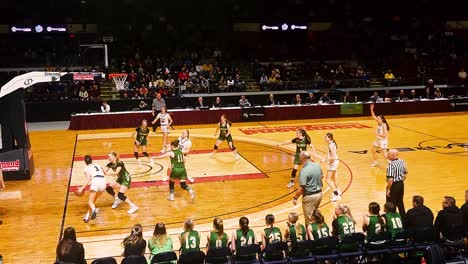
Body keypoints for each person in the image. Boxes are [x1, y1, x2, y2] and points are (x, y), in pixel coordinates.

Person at [292, 151, 323, 226]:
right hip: (319, 195)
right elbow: (322, 176)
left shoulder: (304, 170)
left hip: (310, 197)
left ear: (303, 158)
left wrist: (295, 198)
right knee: (315, 216)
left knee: (310, 222)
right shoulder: (317, 165)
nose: (299, 158)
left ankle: (312, 237)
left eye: (300, 157)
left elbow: (302, 188)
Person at [76, 155, 106, 223]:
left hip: (96, 181)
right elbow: (104, 172)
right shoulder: (98, 165)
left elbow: (88, 179)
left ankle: (94, 209)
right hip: (103, 182)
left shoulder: (86, 168)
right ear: (91, 160)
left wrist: (82, 188)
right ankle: (87, 216)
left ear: (85, 162)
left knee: (90, 202)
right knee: (92, 202)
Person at [386, 149, 408, 218]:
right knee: (400, 202)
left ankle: (392, 219)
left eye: (388, 154)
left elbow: (390, 179)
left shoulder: (391, 165)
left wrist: (389, 189)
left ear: (392, 156)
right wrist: (401, 181)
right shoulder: (402, 161)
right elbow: (406, 173)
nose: (387, 155)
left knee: (391, 204)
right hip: (401, 184)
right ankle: (404, 219)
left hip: (394, 185)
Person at [321, 133, 341, 201]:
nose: (325, 139)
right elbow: (331, 155)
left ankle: (336, 195)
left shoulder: (330, 145)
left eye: (326, 137)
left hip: (333, 163)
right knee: (333, 177)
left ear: (330, 138)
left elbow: (332, 157)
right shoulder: (332, 144)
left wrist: (325, 160)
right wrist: (326, 159)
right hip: (335, 162)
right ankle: (338, 190)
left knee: (328, 179)